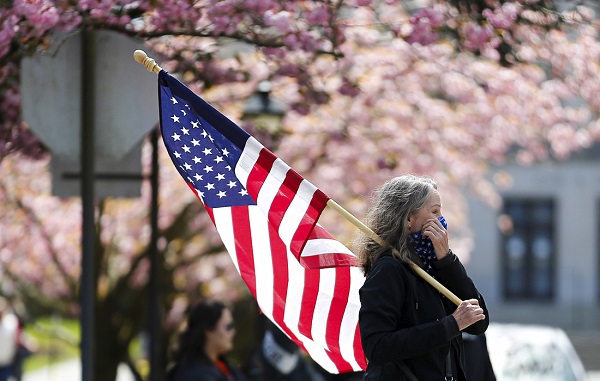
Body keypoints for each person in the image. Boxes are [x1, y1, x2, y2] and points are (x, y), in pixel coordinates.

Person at [356, 175, 490, 381]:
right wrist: (449, 326)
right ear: (409, 219)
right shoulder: (389, 269)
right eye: (434, 212)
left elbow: (478, 322)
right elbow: (377, 347)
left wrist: (446, 260)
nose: (441, 220)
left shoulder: (434, 265)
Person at [167, 300, 248, 381]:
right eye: (228, 327)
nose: (233, 332)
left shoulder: (223, 366)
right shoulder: (193, 374)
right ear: (208, 331)